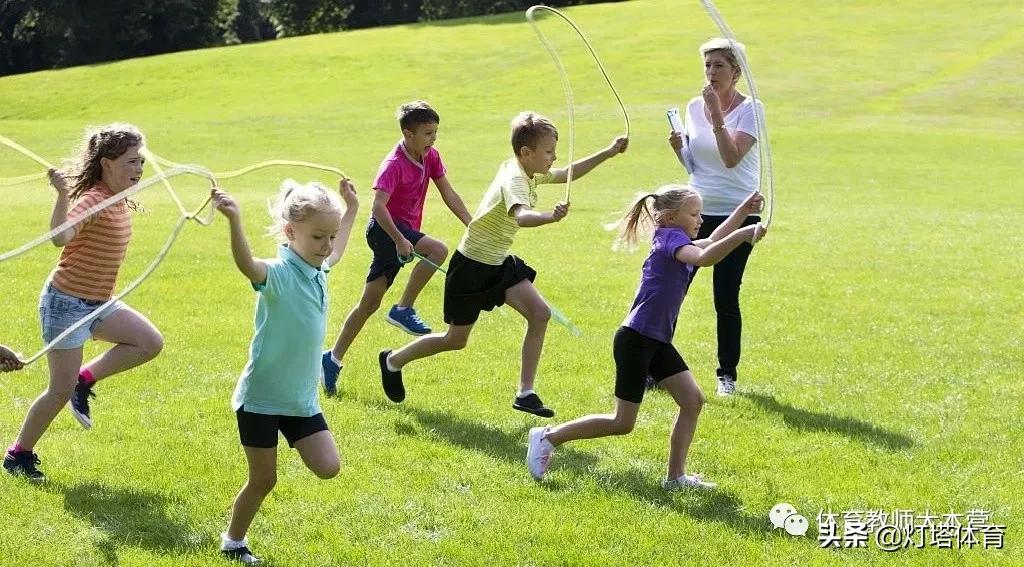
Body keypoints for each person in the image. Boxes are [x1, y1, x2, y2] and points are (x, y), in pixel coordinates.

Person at [379, 111, 628, 418]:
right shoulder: (515, 181)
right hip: (471, 267)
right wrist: (550, 216)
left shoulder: (525, 168)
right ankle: (393, 360)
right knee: (455, 340)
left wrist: (609, 151)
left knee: (540, 314)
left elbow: (567, 173)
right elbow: (522, 216)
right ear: (527, 153)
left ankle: (525, 393)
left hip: (498, 264)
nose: (554, 157)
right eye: (549, 151)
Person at [526, 185, 765, 488]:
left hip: (656, 341)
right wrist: (744, 234)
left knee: (691, 401)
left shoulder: (677, 239)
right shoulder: (670, 240)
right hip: (636, 339)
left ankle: (676, 477)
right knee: (622, 423)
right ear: (668, 217)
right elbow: (705, 257)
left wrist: (744, 212)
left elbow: (711, 242)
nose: (701, 219)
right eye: (693, 214)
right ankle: (548, 437)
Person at [4, 124, 164, 482]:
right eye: (131, 162)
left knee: (149, 342)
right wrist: (62, 195)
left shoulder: (119, 196)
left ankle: (84, 379)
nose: (138, 169)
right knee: (57, 391)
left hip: (99, 303)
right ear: (107, 163)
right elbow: (60, 236)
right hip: (66, 305)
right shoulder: (94, 199)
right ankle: (18, 454)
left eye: (141, 162)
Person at [213, 178, 359, 565]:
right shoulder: (278, 274)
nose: (326, 246)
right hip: (261, 400)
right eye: (317, 237)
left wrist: (353, 208)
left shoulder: (320, 268)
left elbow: (339, 248)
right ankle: (233, 542)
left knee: (329, 467)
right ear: (290, 232)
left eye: (330, 236)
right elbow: (248, 265)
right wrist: (233, 220)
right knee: (264, 480)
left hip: (301, 400)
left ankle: (234, 537)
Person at [322, 100, 471, 396]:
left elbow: (448, 193)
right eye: (427, 133)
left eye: (435, 133)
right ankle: (403, 308)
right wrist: (400, 240)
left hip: (402, 232)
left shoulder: (431, 157)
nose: (433, 139)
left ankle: (332, 359)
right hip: (384, 230)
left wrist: (471, 222)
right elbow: (378, 207)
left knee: (368, 304)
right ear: (408, 133)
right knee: (438, 250)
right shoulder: (393, 164)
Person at [669, 37, 764, 396]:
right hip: (694, 211)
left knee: (725, 293)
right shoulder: (694, 107)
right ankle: (655, 368)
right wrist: (681, 151)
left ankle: (727, 375)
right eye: (707, 65)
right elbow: (698, 165)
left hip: (740, 212)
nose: (711, 73)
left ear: (737, 72)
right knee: (672, 288)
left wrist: (718, 117)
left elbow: (730, 158)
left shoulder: (751, 109)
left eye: (719, 65)